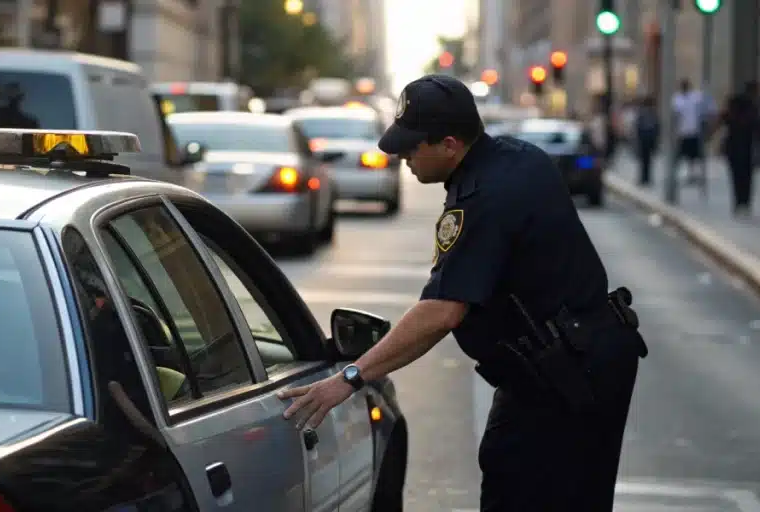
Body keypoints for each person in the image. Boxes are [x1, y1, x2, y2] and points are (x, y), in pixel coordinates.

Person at [277, 74, 648, 511]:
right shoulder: (518, 158)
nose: (402, 157)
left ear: (450, 144)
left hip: (562, 381)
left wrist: (351, 377)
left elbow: (442, 311)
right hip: (586, 361)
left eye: (412, 147)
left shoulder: (484, 198)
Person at [713, 82, 760, 216]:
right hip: (747, 148)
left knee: (735, 177)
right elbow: (759, 128)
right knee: (747, 176)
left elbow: (719, 122)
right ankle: (745, 202)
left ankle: (738, 202)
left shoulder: (731, 113)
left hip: (732, 148)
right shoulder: (752, 111)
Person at [672, 78, 708, 184]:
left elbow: (702, 113)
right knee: (680, 155)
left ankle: (695, 175)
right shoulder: (677, 99)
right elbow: (675, 115)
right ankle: (676, 176)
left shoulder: (696, 97)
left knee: (695, 156)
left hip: (694, 131)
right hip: (682, 132)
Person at [634, 95, 660, 186]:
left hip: (645, 140)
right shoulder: (651, 113)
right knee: (647, 160)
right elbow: (657, 127)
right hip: (648, 139)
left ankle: (645, 178)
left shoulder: (644, 113)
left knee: (645, 160)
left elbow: (638, 127)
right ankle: (646, 178)